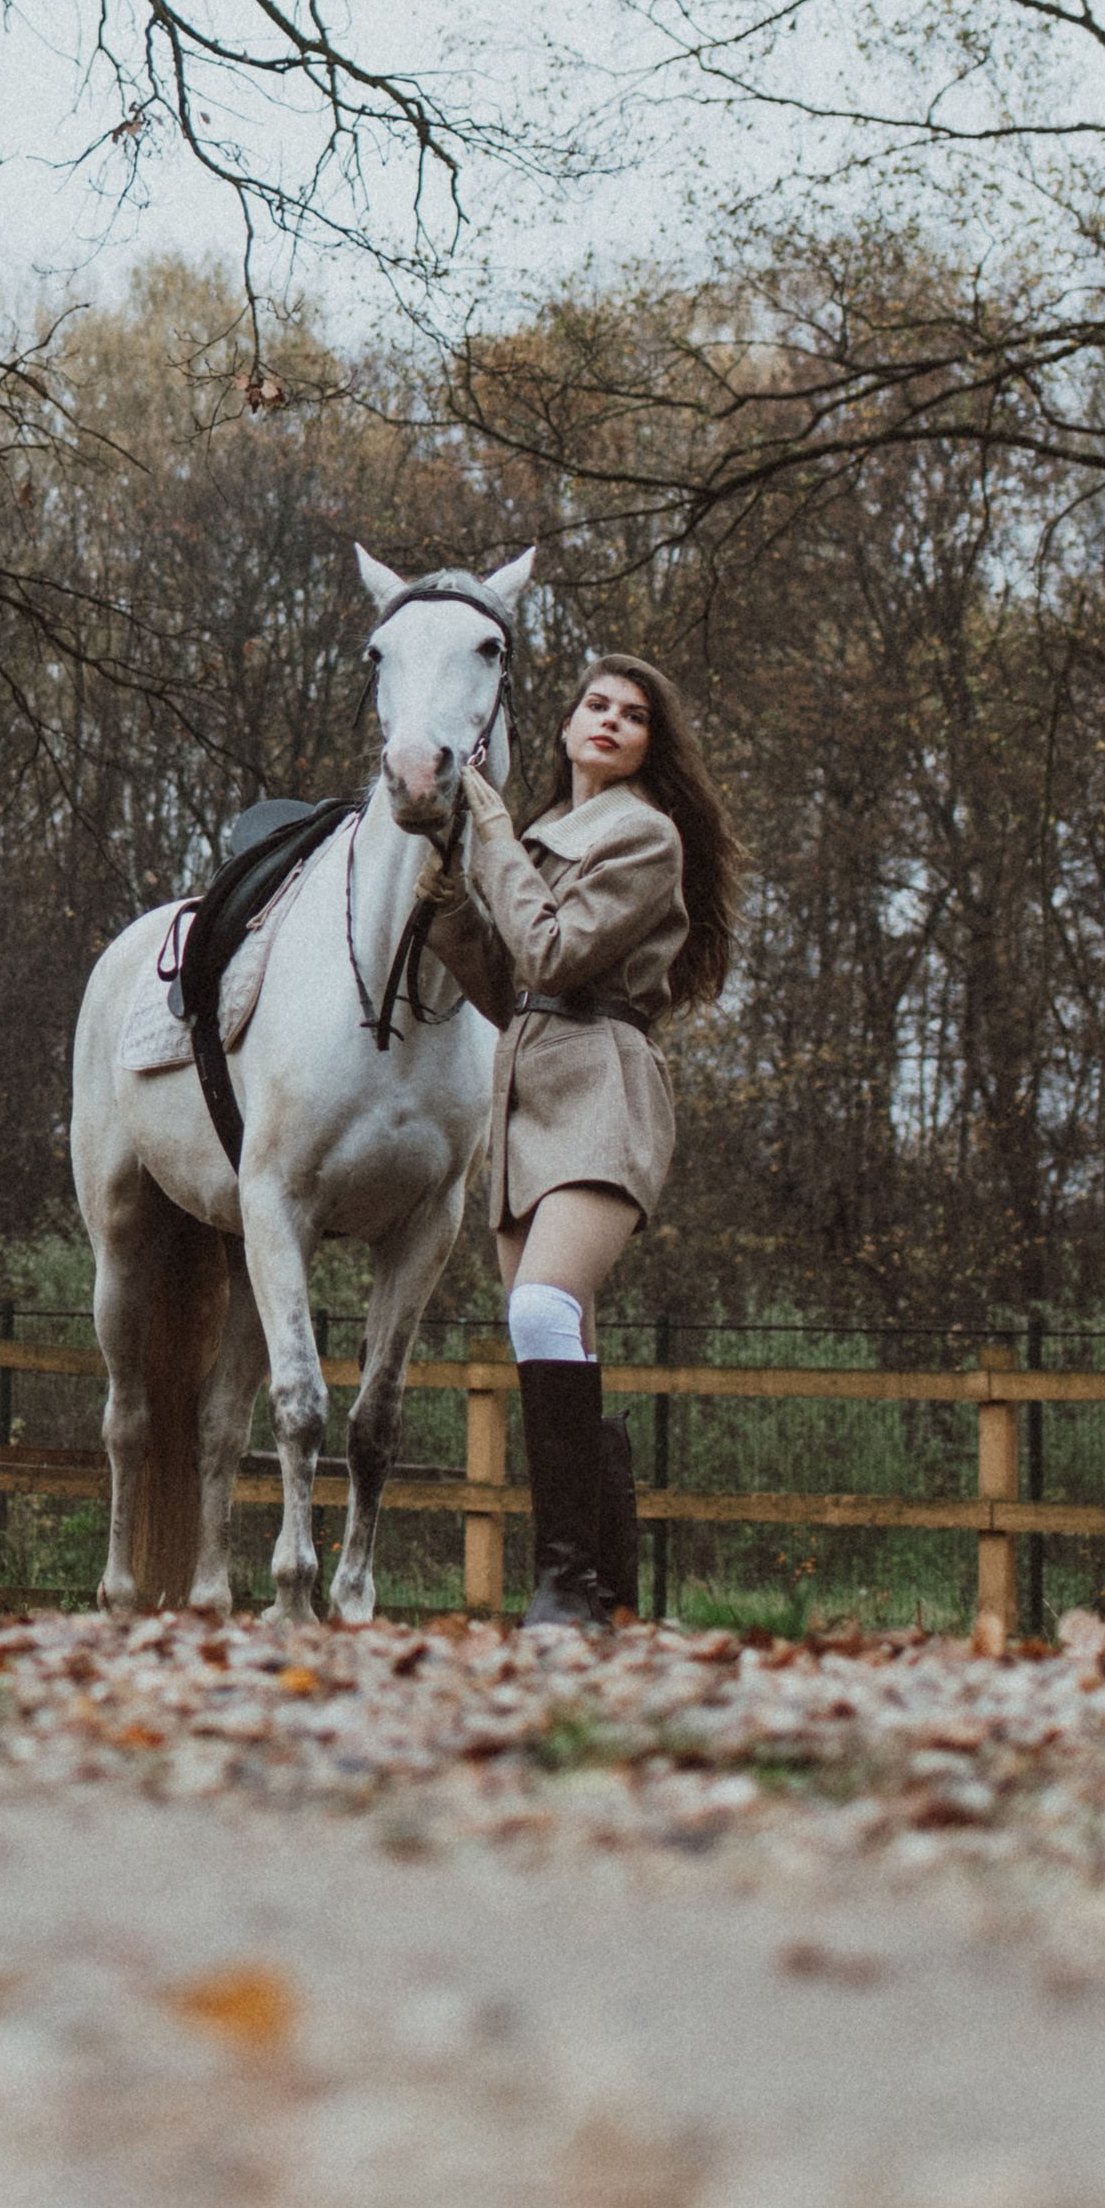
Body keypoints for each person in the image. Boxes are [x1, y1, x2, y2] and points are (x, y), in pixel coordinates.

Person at [429, 656, 739, 1630]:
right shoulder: (538, 837)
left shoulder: (643, 835)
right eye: (594, 706)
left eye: (632, 715)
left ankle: (560, 1586)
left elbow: (555, 954)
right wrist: (444, 902)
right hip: (524, 1096)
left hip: (604, 1086)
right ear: (565, 727)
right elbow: (510, 987)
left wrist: (489, 840)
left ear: (649, 744)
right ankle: (604, 1594)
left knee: (540, 1309)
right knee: (558, 1338)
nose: (609, 721)